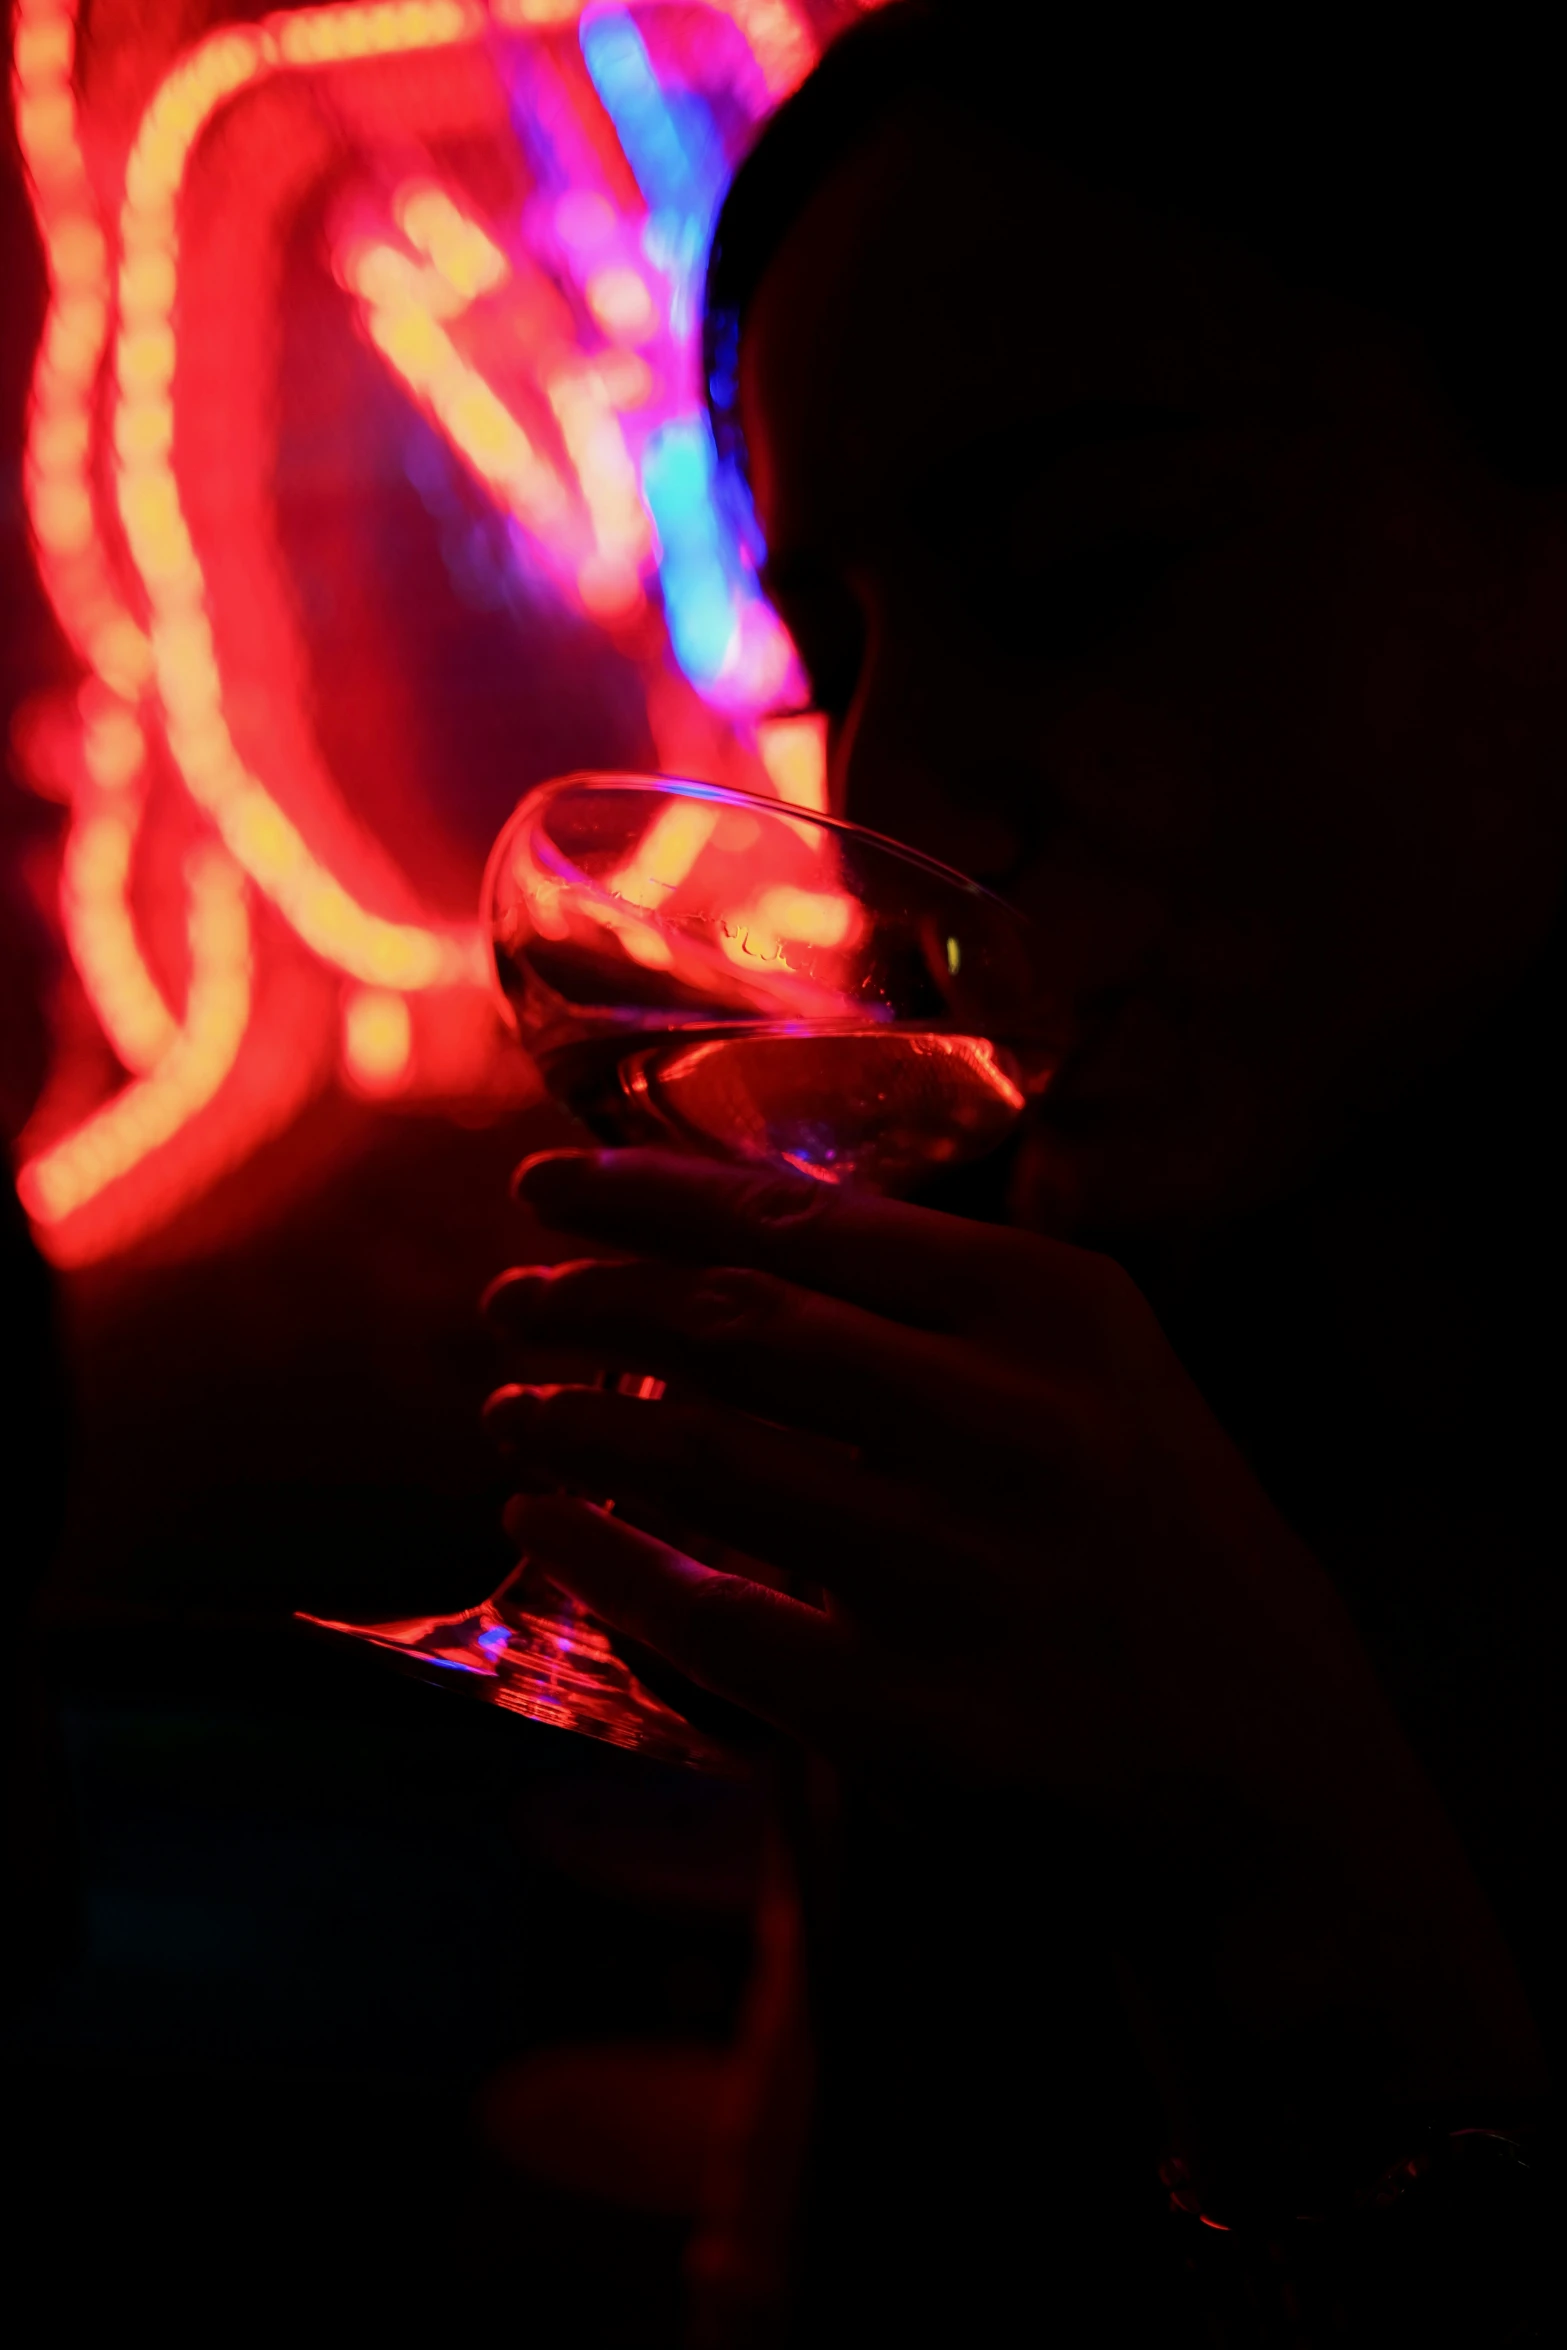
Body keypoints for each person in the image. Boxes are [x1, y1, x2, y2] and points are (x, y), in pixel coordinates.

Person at [483, 6, 1557, 2338]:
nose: (901, 782)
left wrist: (1273, 1875)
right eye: (820, 657)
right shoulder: (1034, 1418)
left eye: (1082, 563)